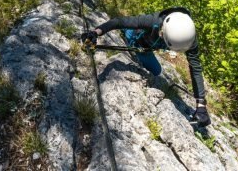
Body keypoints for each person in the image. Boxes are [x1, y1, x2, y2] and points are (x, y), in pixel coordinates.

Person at [81, 7, 211, 127]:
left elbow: (196, 69)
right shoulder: (153, 21)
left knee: (156, 71)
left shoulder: (187, 38)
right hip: (135, 37)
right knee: (127, 30)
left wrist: (201, 105)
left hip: (146, 48)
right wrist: (95, 32)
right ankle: (127, 35)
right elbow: (118, 21)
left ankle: (137, 49)